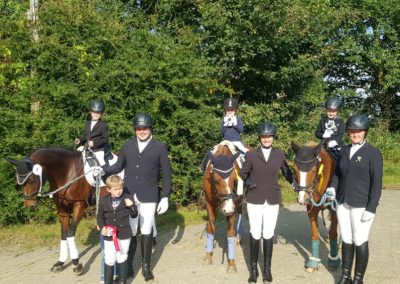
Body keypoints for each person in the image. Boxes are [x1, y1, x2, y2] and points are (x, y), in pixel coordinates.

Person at [102, 112, 172, 282]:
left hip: (149, 195)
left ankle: (146, 267)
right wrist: (104, 169)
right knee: (131, 231)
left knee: (146, 230)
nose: (142, 131)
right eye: (139, 128)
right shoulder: (127, 146)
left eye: (145, 128)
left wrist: (165, 196)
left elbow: (167, 173)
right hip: (129, 196)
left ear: (150, 128)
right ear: (135, 130)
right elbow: (119, 166)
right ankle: (130, 265)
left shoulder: (160, 147)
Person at [327, 114, 383, 284]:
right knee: (347, 238)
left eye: (358, 131)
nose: (355, 134)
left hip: (361, 205)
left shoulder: (373, 153)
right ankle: (346, 276)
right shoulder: (343, 151)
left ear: (365, 132)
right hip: (343, 203)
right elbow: (337, 174)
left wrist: (371, 207)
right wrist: (332, 188)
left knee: (360, 240)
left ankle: (358, 279)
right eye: (352, 131)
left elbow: (377, 183)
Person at [239, 122, 294, 283]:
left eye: (269, 136)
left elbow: (287, 172)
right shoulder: (251, 155)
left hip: (273, 198)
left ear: (273, 137)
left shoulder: (279, 154)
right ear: (260, 138)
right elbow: (243, 173)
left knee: (269, 233)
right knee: (255, 232)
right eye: (264, 137)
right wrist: (240, 184)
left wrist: (296, 185)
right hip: (254, 198)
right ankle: (253, 271)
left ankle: (267, 270)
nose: (266, 139)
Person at [97, 175, 138, 284]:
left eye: (120, 188)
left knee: (122, 257)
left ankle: (122, 281)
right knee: (109, 258)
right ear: (108, 189)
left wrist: (131, 206)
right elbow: (99, 217)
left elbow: (134, 215)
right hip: (109, 235)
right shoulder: (104, 200)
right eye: (115, 189)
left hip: (124, 234)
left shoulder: (127, 198)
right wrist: (102, 227)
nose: (118, 191)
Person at [74, 100, 110, 165]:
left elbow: (105, 139)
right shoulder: (87, 123)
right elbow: (85, 136)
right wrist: (80, 140)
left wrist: (94, 143)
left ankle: (103, 174)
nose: (96, 114)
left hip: (98, 150)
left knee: (100, 165)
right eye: (94, 112)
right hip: (87, 148)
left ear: (101, 114)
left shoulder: (103, 124)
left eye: (98, 113)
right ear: (90, 112)